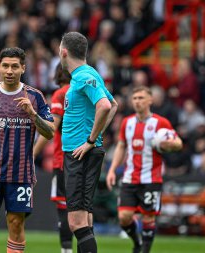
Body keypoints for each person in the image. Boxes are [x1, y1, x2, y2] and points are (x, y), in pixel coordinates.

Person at [0, 47, 54, 253]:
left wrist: (33, 114)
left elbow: (50, 132)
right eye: (5, 66)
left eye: (15, 66)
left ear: (23, 68)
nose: (9, 70)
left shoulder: (35, 97)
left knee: (15, 224)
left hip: (21, 172)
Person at [59, 32, 118, 253]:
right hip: (82, 153)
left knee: (76, 222)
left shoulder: (84, 76)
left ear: (64, 52)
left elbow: (104, 105)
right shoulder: (89, 74)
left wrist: (90, 141)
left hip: (79, 154)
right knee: (84, 220)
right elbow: (114, 105)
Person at [106, 86, 183, 253]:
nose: (137, 102)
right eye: (135, 98)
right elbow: (121, 146)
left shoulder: (161, 123)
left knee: (148, 216)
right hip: (130, 177)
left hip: (151, 178)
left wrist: (171, 144)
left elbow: (179, 143)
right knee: (124, 217)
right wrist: (112, 169)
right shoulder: (127, 122)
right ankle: (137, 242)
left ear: (150, 100)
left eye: (141, 98)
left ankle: (145, 250)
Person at [33, 64, 73, 253]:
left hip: (65, 160)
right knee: (83, 210)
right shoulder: (87, 91)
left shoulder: (61, 94)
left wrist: (31, 154)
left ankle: (66, 250)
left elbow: (51, 129)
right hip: (87, 158)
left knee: (63, 206)